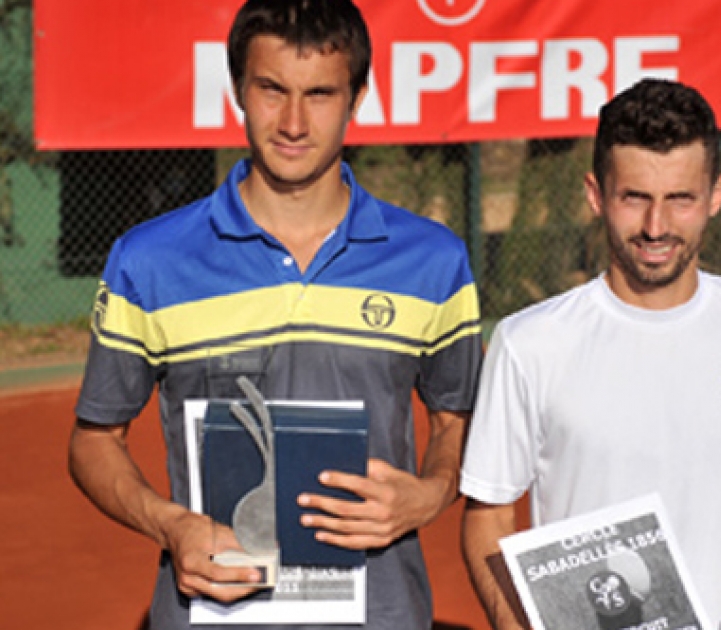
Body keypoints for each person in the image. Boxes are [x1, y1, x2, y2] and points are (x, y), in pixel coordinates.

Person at [68, 1, 482, 628]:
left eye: (319, 93)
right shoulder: (148, 261)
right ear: (238, 89)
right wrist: (170, 523)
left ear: (357, 97)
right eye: (271, 90)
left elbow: (458, 420)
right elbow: (94, 440)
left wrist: (427, 493)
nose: (293, 121)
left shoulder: (434, 260)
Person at [459, 78, 721, 630]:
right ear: (596, 195)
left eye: (680, 199)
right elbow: (488, 516)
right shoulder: (528, 344)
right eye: (634, 198)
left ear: (717, 194)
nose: (656, 227)